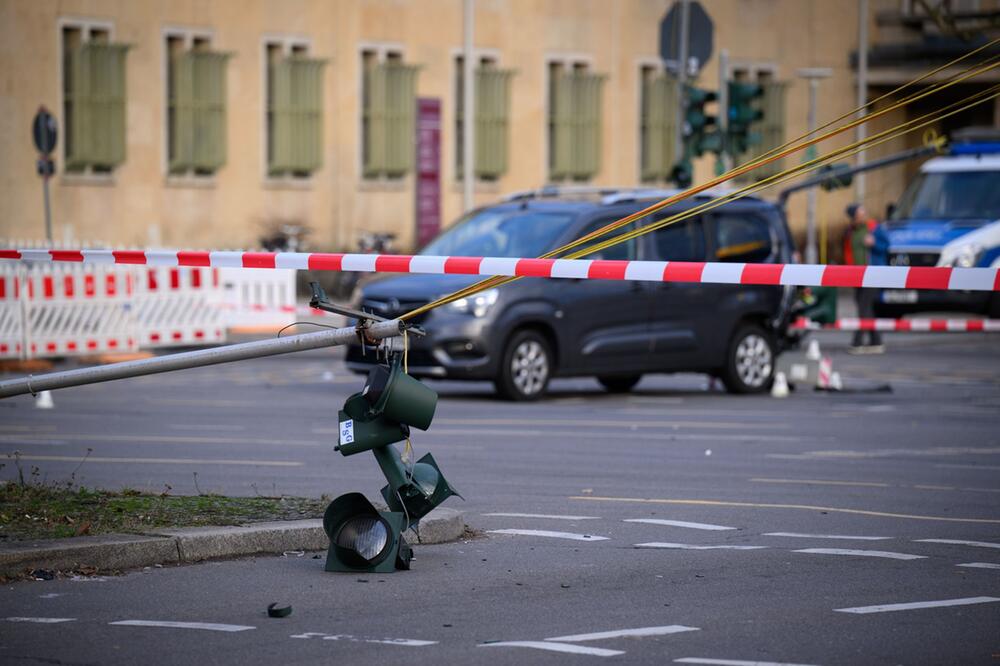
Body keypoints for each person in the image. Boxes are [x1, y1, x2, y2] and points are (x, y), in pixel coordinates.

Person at [843, 203, 888, 354]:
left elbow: (886, 246)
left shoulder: (874, 228)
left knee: (863, 308)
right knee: (866, 309)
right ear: (853, 218)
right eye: (859, 214)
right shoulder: (850, 232)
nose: (863, 215)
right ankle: (876, 342)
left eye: (863, 212)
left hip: (873, 274)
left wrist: (874, 243)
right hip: (857, 276)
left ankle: (857, 342)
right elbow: (849, 252)